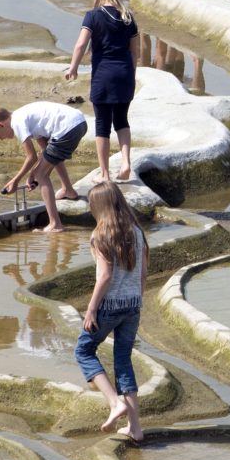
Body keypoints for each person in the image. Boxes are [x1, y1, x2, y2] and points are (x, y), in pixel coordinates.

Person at [77, 176, 150, 442]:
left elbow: (105, 276)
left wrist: (91, 309)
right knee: (123, 361)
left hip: (109, 306)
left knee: (83, 350)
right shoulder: (137, 231)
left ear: (99, 207)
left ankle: (114, 403)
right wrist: (136, 300)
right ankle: (135, 427)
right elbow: (142, 273)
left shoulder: (100, 235)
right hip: (132, 305)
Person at [67, 0, 140, 182]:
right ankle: (125, 162)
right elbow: (135, 52)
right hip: (124, 73)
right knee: (122, 120)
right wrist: (130, 75)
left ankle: (105, 174)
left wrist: (73, 67)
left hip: (103, 75)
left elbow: (81, 45)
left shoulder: (92, 16)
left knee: (102, 124)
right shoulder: (128, 18)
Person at [0, 100, 91, 233]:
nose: (1, 139)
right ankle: (68, 190)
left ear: (0, 125)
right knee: (52, 157)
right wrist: (31, 174)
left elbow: (31, 157)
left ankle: (55, 224)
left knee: (41, 174)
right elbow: (47, 151)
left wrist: (16, 180)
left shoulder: (17, 123)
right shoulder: (23, 116)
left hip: (67, 128)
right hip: (79, 122)